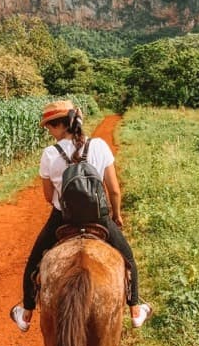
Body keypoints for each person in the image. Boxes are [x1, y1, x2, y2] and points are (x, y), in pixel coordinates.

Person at [10, 100, 152, 332]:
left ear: (58, 126)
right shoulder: (99, 146)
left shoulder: (49, 154)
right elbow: (114, 190)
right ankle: (135, 309)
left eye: (49, 127)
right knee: (128, 258)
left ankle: (25, 313)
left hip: (63, 218)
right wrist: (115, 216)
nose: (49, 132)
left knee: (34, 261)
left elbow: (49, 197)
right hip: (99, 217)